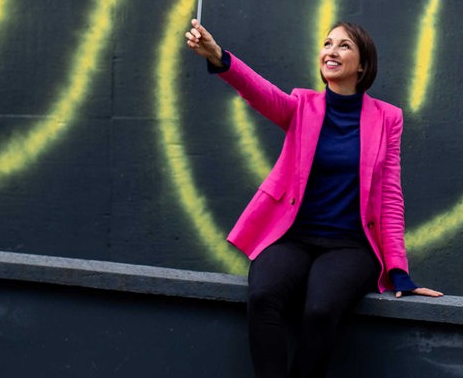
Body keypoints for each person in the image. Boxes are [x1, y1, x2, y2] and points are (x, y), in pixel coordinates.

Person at [185, 19, 442, 378]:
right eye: (327, 44)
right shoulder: (302, 105)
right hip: (293, 237)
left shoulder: (387, 119)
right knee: (262, 298)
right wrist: (218, 56)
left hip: (351, 246)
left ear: (363, 64)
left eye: (344, 46)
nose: (331, 51)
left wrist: (398, 271)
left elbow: (389, 197)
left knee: (320, 311)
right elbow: (257, 91)